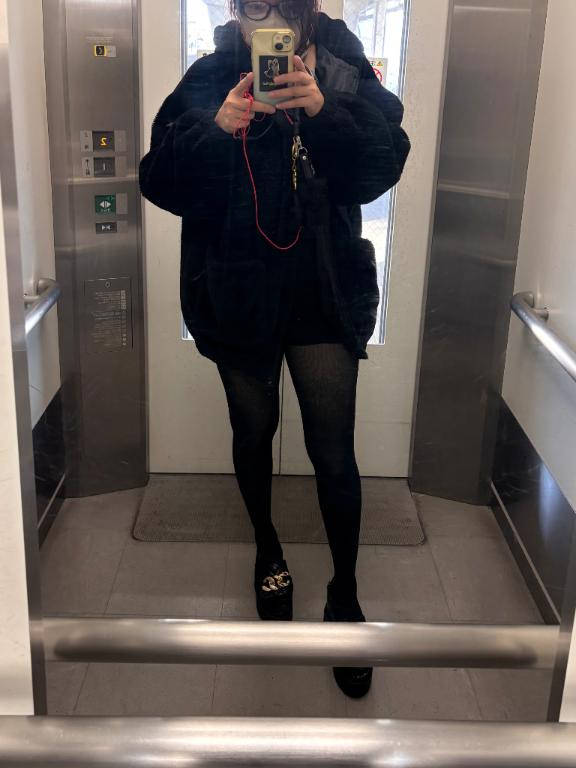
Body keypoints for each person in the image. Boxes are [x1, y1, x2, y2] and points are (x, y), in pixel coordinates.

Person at [139, 0, 410, 698]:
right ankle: (268, 550)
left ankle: (345, 595)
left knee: (334, 451)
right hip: (238, 289)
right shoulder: (211, 75)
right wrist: (216, 128)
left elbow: (383, 167)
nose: (266, 21)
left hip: (323, 290)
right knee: (253, 431)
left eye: (281, 5)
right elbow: (157, 179)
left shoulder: (346, 70)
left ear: (308, 8)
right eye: (251, 6)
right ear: (235, 10)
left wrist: (322, 110)